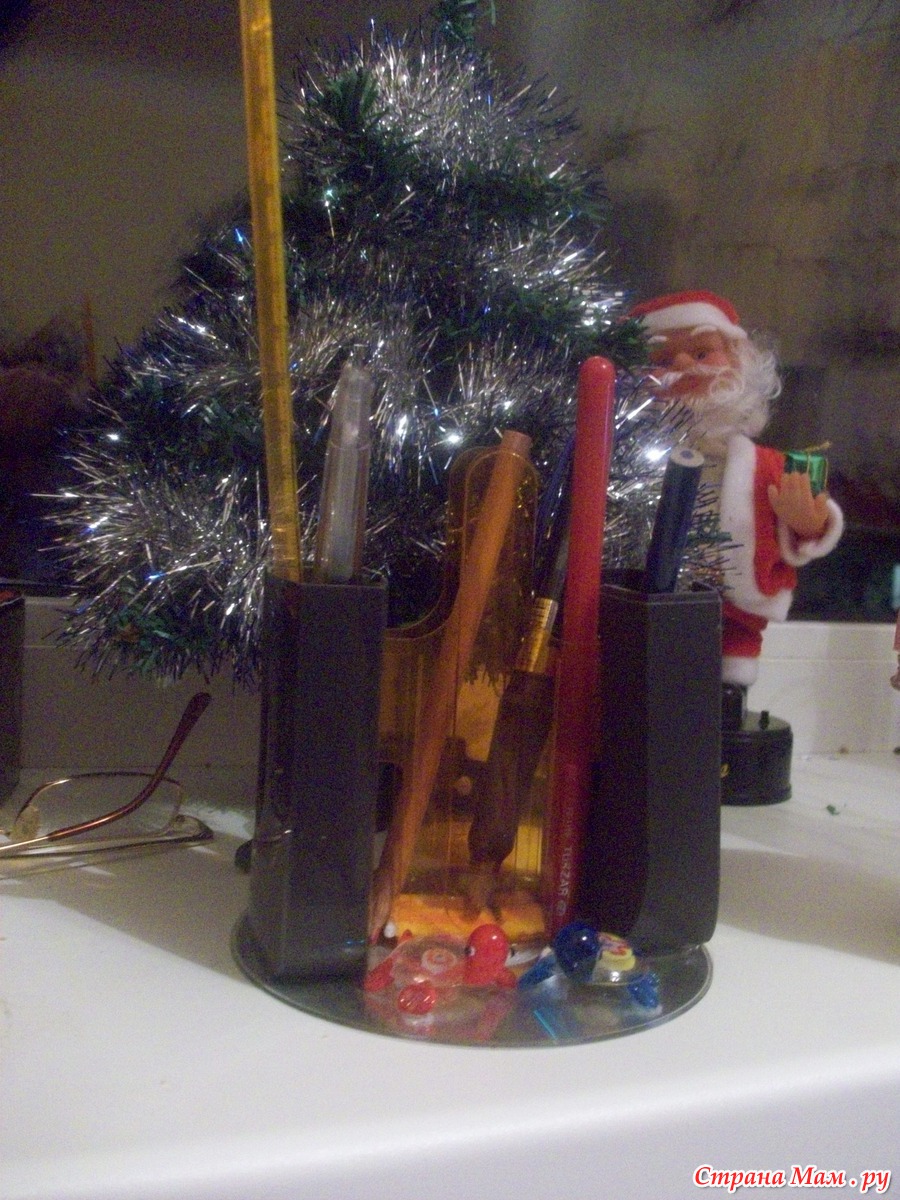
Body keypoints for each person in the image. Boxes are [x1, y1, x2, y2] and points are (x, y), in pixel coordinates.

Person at [630, 290, 844, 686]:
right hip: (649, 601)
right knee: (648, 674)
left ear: (739, 363)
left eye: (701, 353)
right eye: (663, 360)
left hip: (735, 606)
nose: (684, 366)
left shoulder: (763, 464)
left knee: (728, 680)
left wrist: (812, 524)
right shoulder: (633, 464)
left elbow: (815, 512)